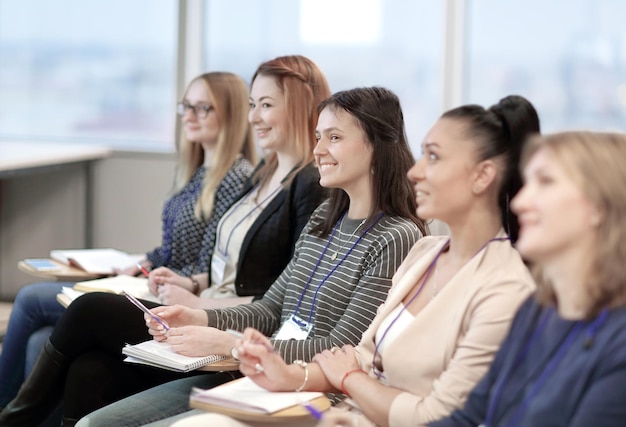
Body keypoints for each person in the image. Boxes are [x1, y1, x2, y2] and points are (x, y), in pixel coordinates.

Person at [172, 95, 540, 427]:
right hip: (336, 409)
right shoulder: (426, 254)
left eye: (434, 157)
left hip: (337, 408)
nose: (416, 171)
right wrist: (289, 377)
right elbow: (359, 356)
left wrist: (230, 344)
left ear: (482, 176)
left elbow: (435, 416)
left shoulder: (501, 286)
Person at [0, 71, 257, 422]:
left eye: (204, 108)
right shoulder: (197, 170)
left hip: (177, 300)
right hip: (155, 281)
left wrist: (169, 276)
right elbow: (172, 247)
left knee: (32, 299)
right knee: (41, 339)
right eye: (186, 107)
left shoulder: (235, 178)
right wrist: (140, 262)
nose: (191, 116)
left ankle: (7, 413)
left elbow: (207, 265)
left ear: (231, 113)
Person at [424, 131, 626, 427]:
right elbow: (468, 418)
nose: (519, 203)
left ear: (600, 206)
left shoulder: (619, 345)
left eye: (545, 182)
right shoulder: (535, 309)